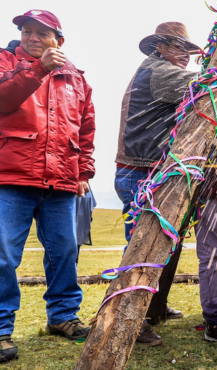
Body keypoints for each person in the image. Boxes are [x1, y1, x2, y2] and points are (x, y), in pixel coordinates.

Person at [0, 10, 95, 363]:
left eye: (42, 32)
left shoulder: (77, 79)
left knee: (64, 251)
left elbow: (85, 130)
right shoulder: (5, 61)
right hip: (11, 176)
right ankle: (0, 329)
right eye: (27, 31)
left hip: (61, 180)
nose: (32, 37)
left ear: (60, 40)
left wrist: (83, 172)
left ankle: (63, 317)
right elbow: (3, 99)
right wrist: (39, 68)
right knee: (4, 254)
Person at [114, 21, 200, 346]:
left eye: (189, 51)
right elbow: (209, 86)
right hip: (141, 173)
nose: (185, 56)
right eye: (179, 48)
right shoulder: (160, 71)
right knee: (141, 249)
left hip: (148, 171)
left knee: (164, 244)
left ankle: (154, 308)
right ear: (159, 46)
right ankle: (129, 321)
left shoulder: (156, 69)